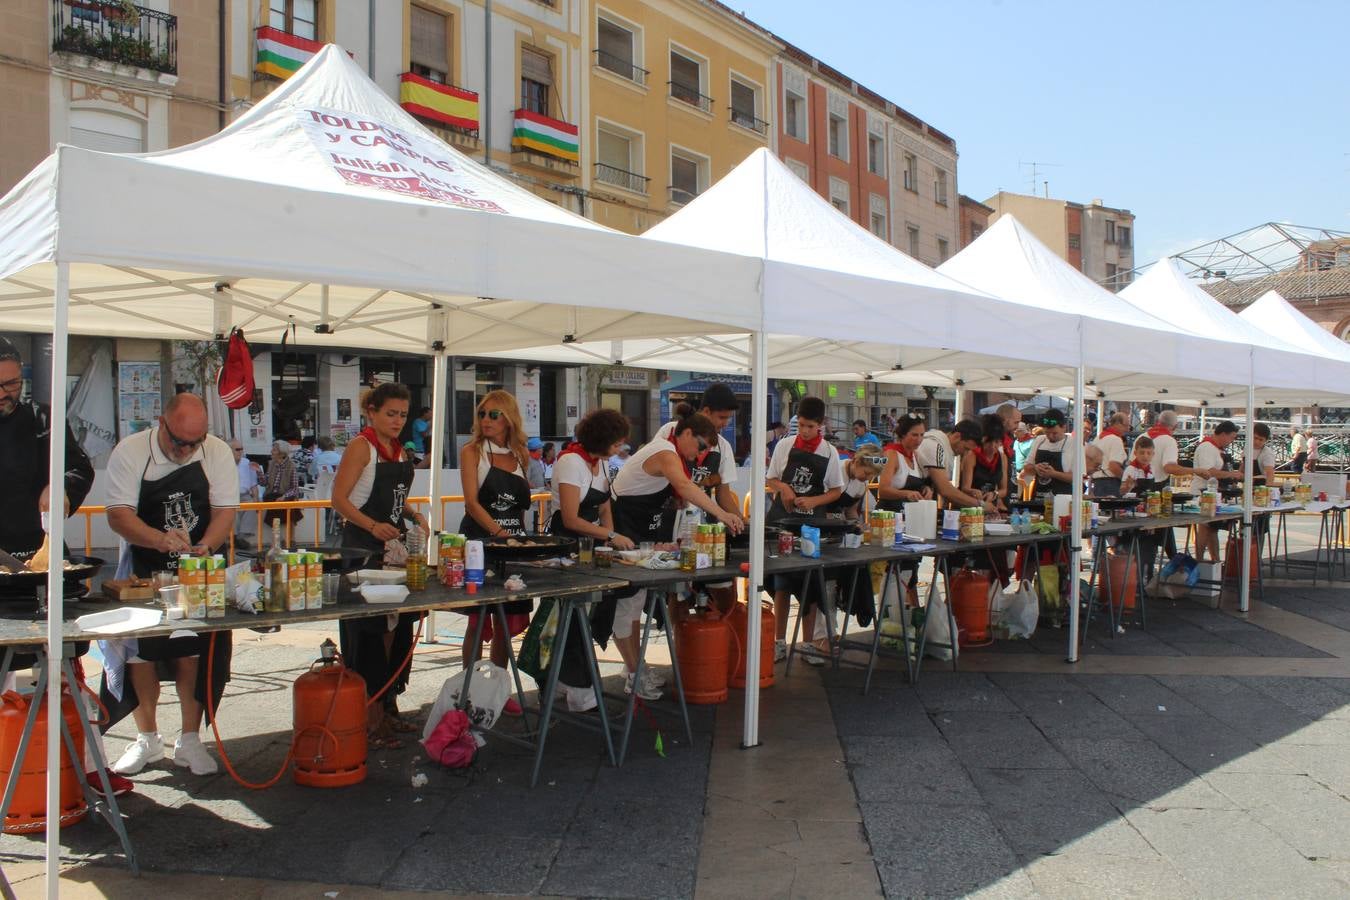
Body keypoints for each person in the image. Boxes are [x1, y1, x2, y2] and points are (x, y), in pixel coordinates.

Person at [103, 393, 238, 776]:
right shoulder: (131, 451)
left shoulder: (215, 453)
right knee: (140, 652)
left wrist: (204, 546)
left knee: (191, 647)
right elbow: (118, 515)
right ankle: (147, 738)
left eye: (194, 443)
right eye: (179, 441)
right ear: (161, 424)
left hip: (199, 565)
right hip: (145, 564)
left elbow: (226, 510)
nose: (186, 450)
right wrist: (161, 540)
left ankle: (190, 739)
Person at [611, 405, 745, 696]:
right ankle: (633, 673)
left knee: (636, 602)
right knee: (628, 602)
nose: (698, 455)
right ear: (685, 433)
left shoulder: (673, 451)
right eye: (698, 446)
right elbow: (685, 487)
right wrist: (722, 514)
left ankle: (635, 666)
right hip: (624, 525)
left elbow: (676, 492)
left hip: (642, 527)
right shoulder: (665, 450)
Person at [332, 383, 428, 745]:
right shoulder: (361, 447)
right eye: (391, 413)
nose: (398, 421)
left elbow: (396, 498)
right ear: (371, 411)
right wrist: (372, 525)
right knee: (369, 633)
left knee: (399, 629)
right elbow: (339, 500)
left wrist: (413, 513)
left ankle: (388, 706)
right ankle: (369, 718)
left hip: (395, 547)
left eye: (403, 415)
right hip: (363, 549)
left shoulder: (401, 451)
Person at [546, 409, 634, 712]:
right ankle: (578, 687)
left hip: (592, 546)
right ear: (602, 439)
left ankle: (567, 680)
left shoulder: (603, 464)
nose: (620, 449)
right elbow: (571, 518)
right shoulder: (571, 462)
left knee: (601, 603)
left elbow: (605, 507)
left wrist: (611, 540)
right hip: (566, 545)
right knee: (572, 615)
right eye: (617, 443)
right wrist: (609, 537)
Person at [458, 391, 533, 710]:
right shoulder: (472, 451)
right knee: (477, 621)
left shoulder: (520, 454)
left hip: (513, 542)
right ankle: (469, 692)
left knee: (507, 621)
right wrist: (499, 533)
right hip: (481, 542)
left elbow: (519, 508)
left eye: (494, 414)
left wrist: (520, 540)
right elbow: (472, 504)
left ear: (509, 419)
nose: (485, 420)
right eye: (482, 414)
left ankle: (498, 693)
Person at [766, 397, 845, 664]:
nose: (804, 431)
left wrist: (813, 501)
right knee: (782, 584)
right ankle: (779, 641)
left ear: (821, 425)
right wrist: (785, 489)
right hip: (783, 521)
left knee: (810, 585)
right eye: (800, 425)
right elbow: (771, 478)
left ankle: (808, 643)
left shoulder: (829, 452)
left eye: (810, 426)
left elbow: (836, 490)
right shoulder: (785, 445)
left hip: (812, 524)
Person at [655, 384, 743, 614]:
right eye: (722, 417)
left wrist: (740, 520)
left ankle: (720, 639)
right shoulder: (670, 432)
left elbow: (723, 493)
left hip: (707, 527)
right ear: (705, 412)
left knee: (724, 589)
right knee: (679, 592)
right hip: (672, 522)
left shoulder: (723, 447)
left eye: (729, 418)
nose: (725, 423)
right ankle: (681, 642)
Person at [1190, 420, 1242, 562]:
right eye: (1231, 437)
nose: (1232, 441)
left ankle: (1215, 560)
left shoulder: (1216, 448)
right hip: (1202, 492)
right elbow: (1209, 471)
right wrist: (1232, 474)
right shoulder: (1207, 447)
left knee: (1212, 529)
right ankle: (1200, 560)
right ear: (1223, 434)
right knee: (1205, 528)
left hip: (1212, 492)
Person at [920, 418, 995, 511]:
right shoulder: (935, 446)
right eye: (966, 448)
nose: (965, 453)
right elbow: (945, 489)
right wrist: (980, 504)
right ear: (956, 436)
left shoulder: (942, 447)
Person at [1020, 410, 1081, 498]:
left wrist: (1053, 474)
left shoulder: (1074, 444)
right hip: (1039, 495)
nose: (1050, 436)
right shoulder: (1040, 440)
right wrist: (1035, 468)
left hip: (1063, 498)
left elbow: (1077, 478)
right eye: (1047, 433)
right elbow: (1026, 468)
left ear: (1064, 427)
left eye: (1054, 433)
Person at [878, 414, 932, 511]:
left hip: (910, 514)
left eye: (922, 435)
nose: (919, 440)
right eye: (914, 435)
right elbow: (883, 490)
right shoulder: (891, 455)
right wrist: (907, 493)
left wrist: (925, 489)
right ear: (903, 434)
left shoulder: (915, 455)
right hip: (890, 515)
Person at [961, 415, 1009, 511]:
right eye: (988, 442)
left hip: (990, 505)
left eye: (996, 442)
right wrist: (973, 491)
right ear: (982, 440)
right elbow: (964, 488)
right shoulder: (972, 456)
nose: (992, 446)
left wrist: (995, 494)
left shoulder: (1002, 458)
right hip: (971, 505)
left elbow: (1004, 490)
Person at [262, 439, 302, 543]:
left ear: (281, 453)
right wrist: (258, 473)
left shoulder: (291, 466)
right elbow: (264, 483)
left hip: (285, 494)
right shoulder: (271, 464)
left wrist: (284, 496)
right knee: (274, 506)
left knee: (291, 508)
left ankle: (291, 539)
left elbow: (294, 488)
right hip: (272, 494)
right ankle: (277, 540)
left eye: (274, 450)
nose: (271, 451)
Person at [229, 438, 262, 548]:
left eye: (241, 449)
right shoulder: (223, 463)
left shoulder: (247, 463)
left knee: (252, 505)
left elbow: (253, 484)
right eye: (237, 449)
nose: (240, 451)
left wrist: (256, 500)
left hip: (245, 495)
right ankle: (235, 537)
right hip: (229, 495)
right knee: (232, 510)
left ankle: (240, 537)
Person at [1090, 412, 1130, 497]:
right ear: (1117, 424)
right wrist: (1126, 480)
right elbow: (1113, 466)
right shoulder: (1116, 440)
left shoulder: (1098, 438)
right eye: (1126, 425)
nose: (1127, 429)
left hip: (1097, 483)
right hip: (1110, 484)